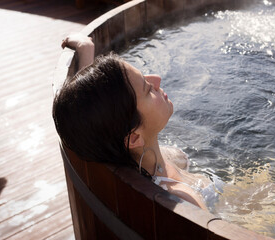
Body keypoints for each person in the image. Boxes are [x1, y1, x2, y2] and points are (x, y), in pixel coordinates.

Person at [53, 33, 223, 212]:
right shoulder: (184, 200)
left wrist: (85, 50)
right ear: (134, 137)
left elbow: (85, 110)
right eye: (147, 89)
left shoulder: (124, 149)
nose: (156, 79)